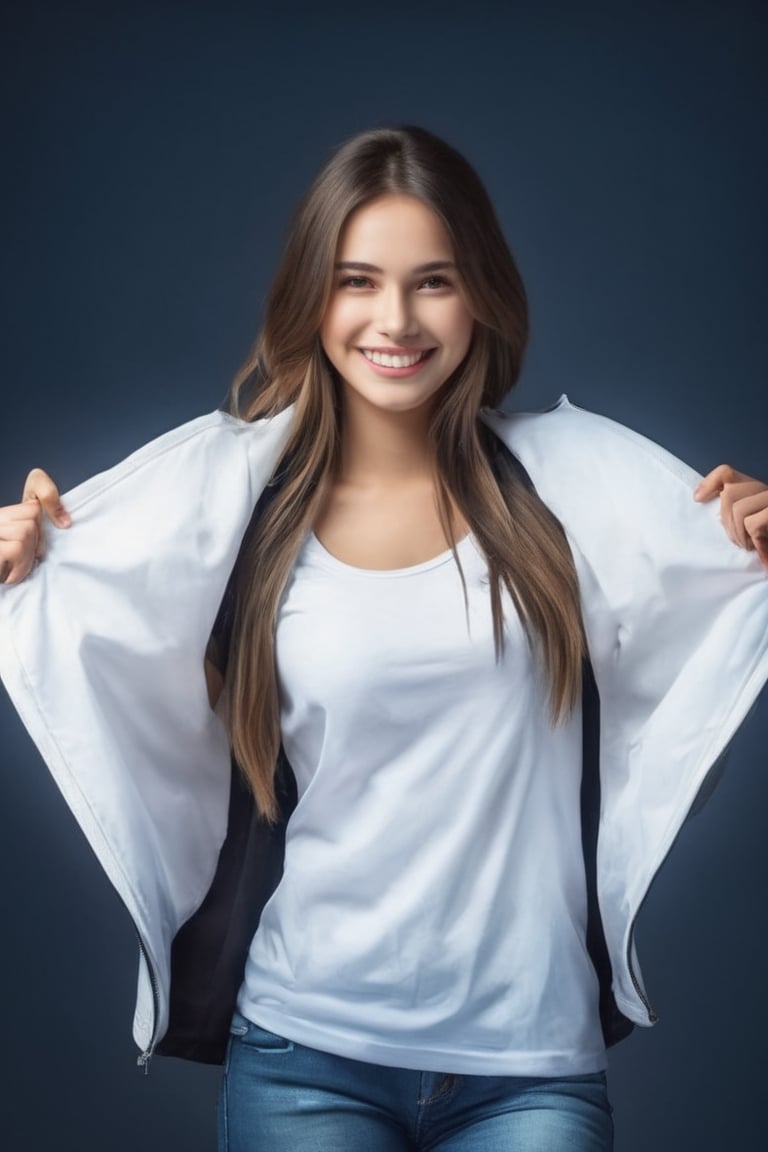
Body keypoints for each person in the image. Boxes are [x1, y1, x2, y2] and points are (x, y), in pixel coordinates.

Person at [0, 125, 767, 1152]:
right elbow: (91, 621)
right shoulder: (230, 502)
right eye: (358, 280)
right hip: (302, 1055)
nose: (395, 320)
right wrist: (22, 560)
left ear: (481, 295)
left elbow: (711, 635)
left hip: (531, 1068)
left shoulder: (582, 485)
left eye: (434, 281)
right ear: (313, 297)